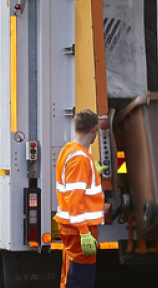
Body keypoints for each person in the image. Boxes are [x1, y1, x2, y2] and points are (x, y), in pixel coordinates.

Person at [55, 109, 106, 288]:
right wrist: (84, 233)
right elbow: (74, 200)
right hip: (79, 230)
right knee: (79, 279)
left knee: (70, 274)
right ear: (94, 130)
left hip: (72, 228)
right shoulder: (80, 159)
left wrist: (93, 169)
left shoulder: (70, 150)